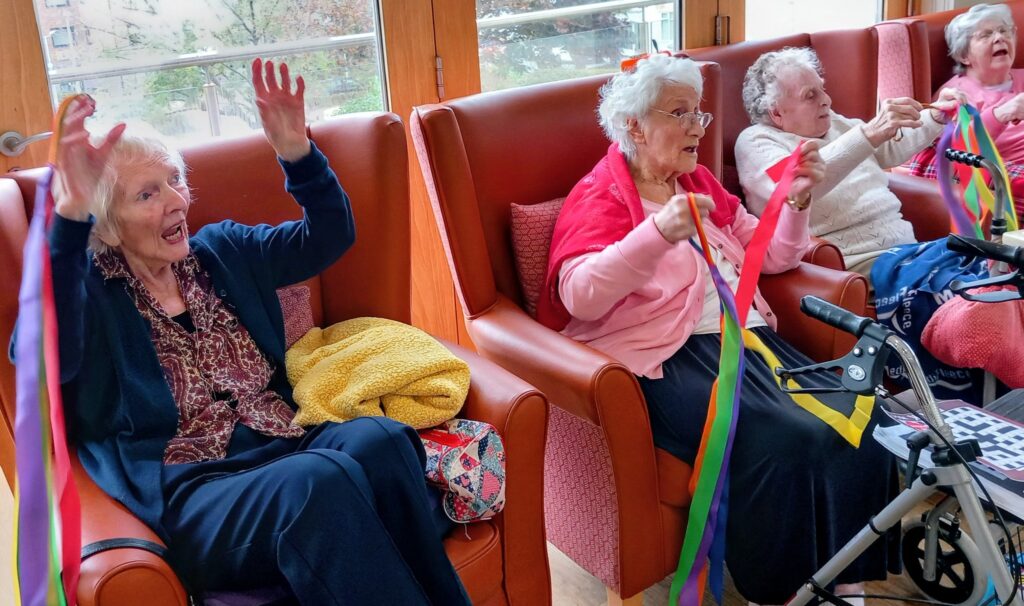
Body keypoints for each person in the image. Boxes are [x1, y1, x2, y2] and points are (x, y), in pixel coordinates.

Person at [43, 59, 470, 605]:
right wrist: (70, 218)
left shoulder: (224, 251)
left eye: (174, 179)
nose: (175, 200)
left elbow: (328, 238)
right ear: (105, 221)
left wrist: (297, 152)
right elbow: (38, 355)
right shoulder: (92, 295)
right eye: (146, 195)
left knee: (380, 439)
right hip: (195, 490)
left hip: (284, 441)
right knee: (320, 481)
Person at [535, 53, 897, 605]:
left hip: (746, 336)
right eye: (680, 113)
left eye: (698, 114)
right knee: (786, 437)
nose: (695, 129)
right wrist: (657, 231)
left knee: (863, 410)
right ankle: (776, 593)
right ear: (635, 124)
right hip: (668, 355)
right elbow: (578, 293)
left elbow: (772, 255)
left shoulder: (697, 180)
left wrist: (795, 200)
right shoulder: (603, 193)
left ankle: (844, 579)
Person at [736, 47, 963, 278]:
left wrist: (935, 116)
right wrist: (870, 132)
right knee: (972, 291)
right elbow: (796, 184)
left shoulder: (833, 123)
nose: (826, 100)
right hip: (859, 265)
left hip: (910, 254)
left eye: (822, 89)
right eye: (810, 95)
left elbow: (886, 148)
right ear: (776, 113)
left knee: (991, 272)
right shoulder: (756, 141)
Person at [909, 2, 1024, 217]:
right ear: (964, 55)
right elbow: (956, 150)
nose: (999, 38)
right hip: (1009, 169)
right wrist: (1003, 113)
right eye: (986, 35)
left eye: (1004, 30)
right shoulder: (956, 94)